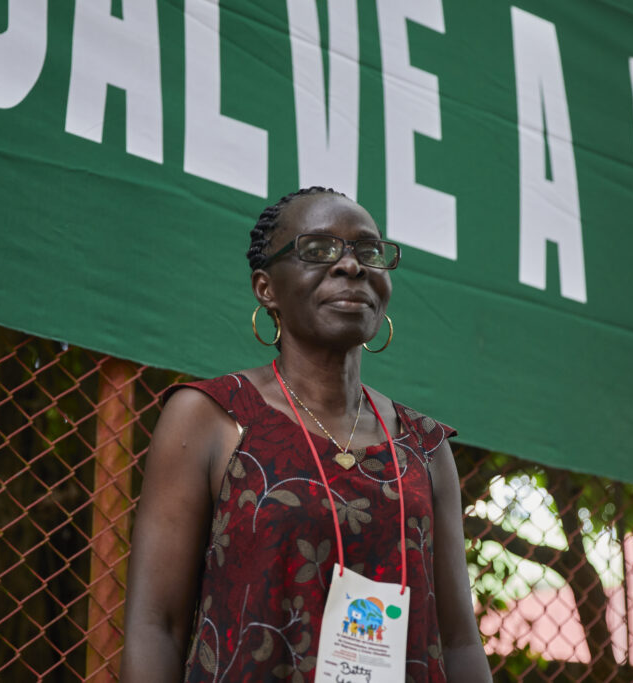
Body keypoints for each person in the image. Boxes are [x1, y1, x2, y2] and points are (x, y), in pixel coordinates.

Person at [122, 187, 491, 681]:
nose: (352, 266)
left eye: (368, 251)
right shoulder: (210, 417)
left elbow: (460, 642)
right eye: (318, 250)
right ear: (266, 288)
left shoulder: (424, 446)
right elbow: (157, 625)